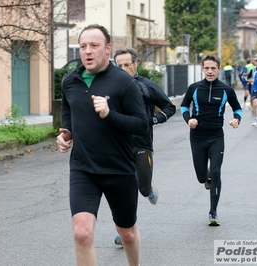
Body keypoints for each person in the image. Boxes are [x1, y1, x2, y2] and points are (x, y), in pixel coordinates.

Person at [56, 24, 148, 266]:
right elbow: (68, 106)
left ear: (107, 49)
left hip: (119, 169)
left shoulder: (123, 82)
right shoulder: (70, 81)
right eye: (83, 46)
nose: (87, 51)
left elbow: (142, 124)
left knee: (127, 233)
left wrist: (110, 115)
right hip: (83, 169)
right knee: (81, 232)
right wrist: (68, 132)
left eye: (94, 46)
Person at [112, 47, 176, 245]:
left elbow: (169, 107)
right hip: (118, 145)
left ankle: (150, 188)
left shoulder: (147, 86)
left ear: (136, 64)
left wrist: (153, 120)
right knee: (122, 190)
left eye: (126, 65)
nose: (123, 69)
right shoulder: (110, 86)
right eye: (119, 65)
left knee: (142, 187)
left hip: (142, 142)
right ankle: (126, 231)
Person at [180, 54, 242, 226]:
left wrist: (237, 119)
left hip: (216, 137)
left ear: (219, 69)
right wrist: (188, 120)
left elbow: (238, 108)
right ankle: (206, 178)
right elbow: (184, 105)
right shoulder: (194, 88)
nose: (210, 71)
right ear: (202, 69)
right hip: (197, 137)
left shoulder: (226, 90)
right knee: (202, 177)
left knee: (215, 172)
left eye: (213, 68)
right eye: (207, 68)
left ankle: (213, 212)